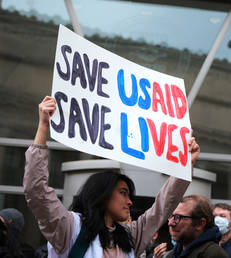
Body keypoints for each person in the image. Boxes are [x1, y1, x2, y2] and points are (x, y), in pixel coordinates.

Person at [24, 96, 200, 257]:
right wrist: (43, 127)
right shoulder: (69, 228)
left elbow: (163, 206)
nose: (130, 202)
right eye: (123, 193)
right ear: (102, 194)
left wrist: (185, 165)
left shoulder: (130, 237)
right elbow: (36, 191)